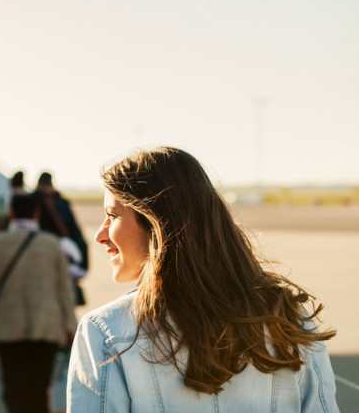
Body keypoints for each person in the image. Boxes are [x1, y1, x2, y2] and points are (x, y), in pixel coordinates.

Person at [67, 146, 338, 412]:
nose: (100, 235)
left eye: (112, 215)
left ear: (157, 221)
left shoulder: (107, 332)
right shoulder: (289, 319)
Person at [0, 193, 77, 413]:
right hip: (46, 327)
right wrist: (70, 327)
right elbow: (65, 291)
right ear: (36, 214)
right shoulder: (52, 244)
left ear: (11, 214)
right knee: (38, 389)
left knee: (14, 388)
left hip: (8, 328)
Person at [34, 172, 89, 305]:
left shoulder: (32, 203)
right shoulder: (61, 204)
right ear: (51, 184)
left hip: (38, 259)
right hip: (63, 259)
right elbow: (77, 235)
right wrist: (82, 266)